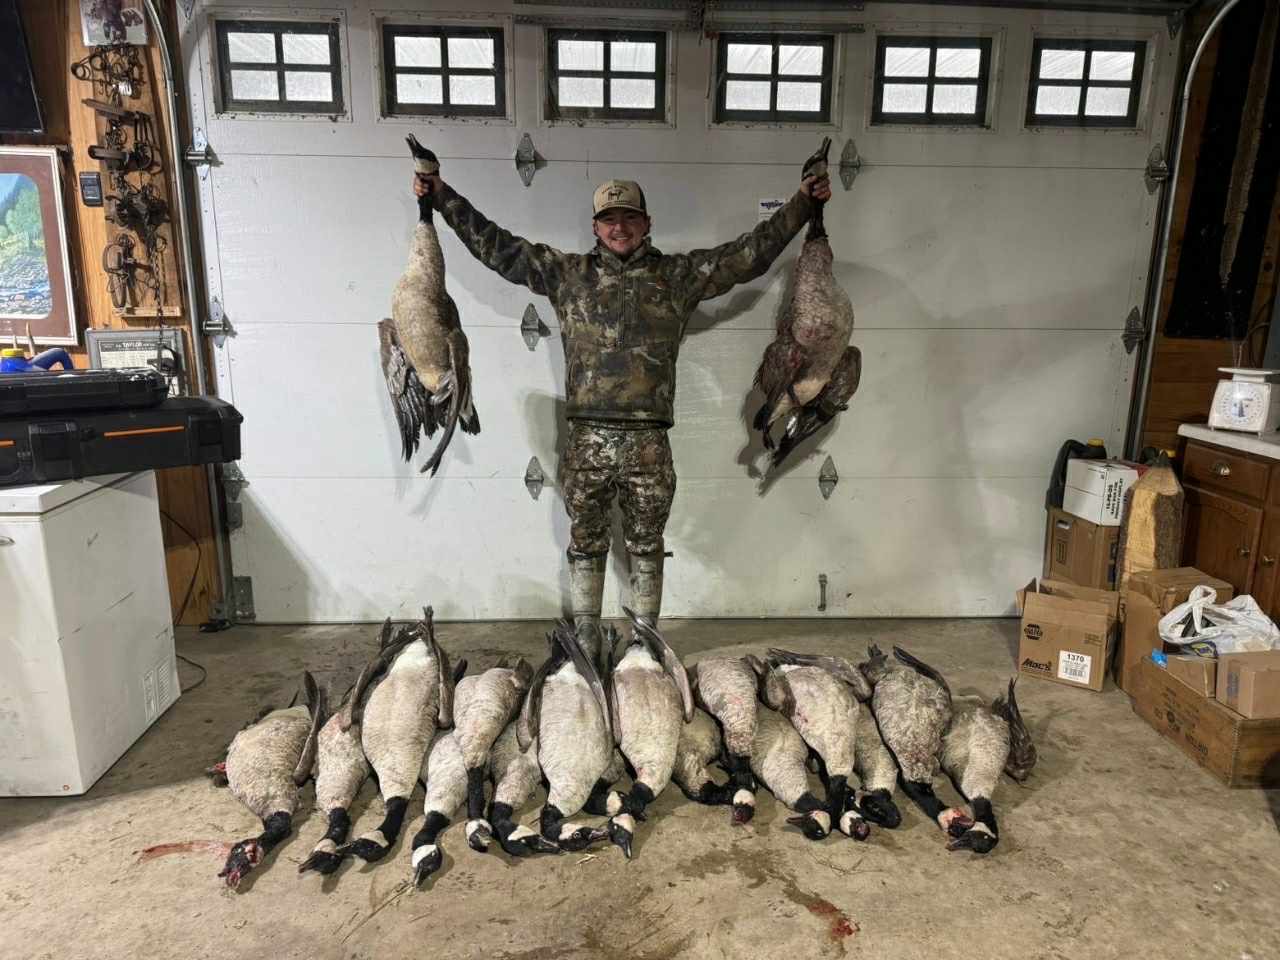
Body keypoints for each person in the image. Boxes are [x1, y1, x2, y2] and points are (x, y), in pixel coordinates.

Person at [413, 156, 832, 667]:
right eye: (609, 219)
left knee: (647, 542)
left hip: (648, 441)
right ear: (595, 227)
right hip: (586, 440)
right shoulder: (566, 274)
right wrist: (441, 196)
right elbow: (498, 247)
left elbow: (748, 255)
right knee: (585, 540)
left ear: (646, 223)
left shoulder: (677, 277)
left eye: (629, 218)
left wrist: (802, 204)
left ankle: (645, 640)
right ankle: (586, 637)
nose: (619, 227)